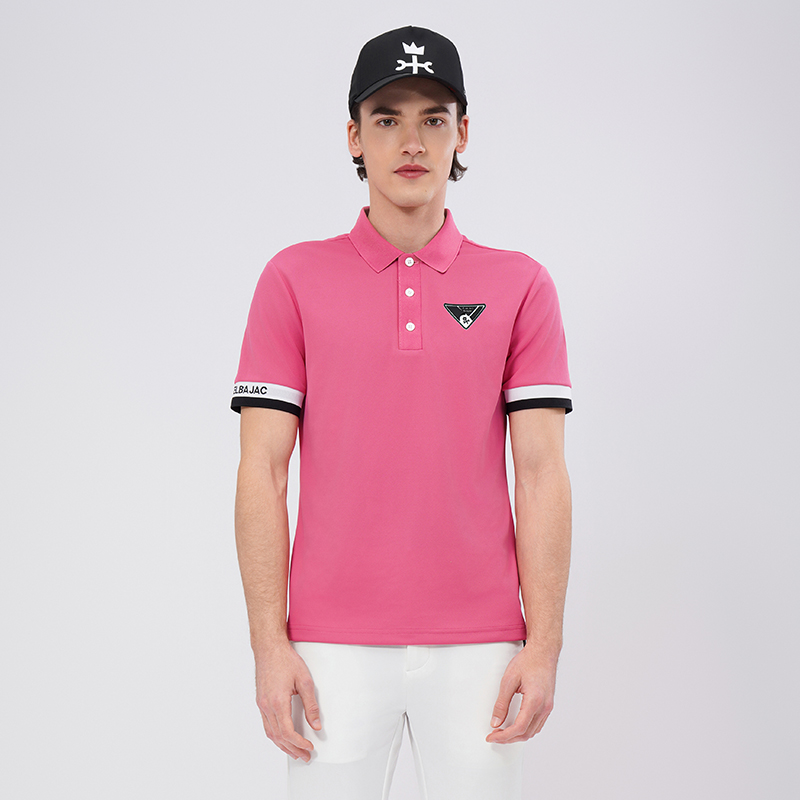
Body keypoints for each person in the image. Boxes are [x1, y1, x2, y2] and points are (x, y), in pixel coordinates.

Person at [232, 25, 573, 800]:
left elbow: (542, 473)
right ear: (354, 136)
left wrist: (544, 643)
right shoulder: (292, 278)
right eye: (386, 118)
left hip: (483, 646)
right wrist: (268, 646)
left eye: (433, 118)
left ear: (462, 134)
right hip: (329, 648)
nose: (411, 141)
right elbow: (261, 471)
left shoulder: (521, 285)